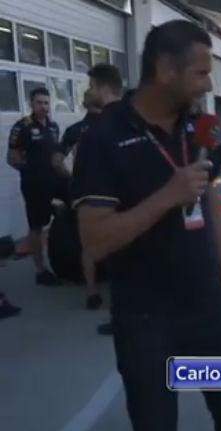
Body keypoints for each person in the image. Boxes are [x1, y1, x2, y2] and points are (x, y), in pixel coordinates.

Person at [71, 20, 221, 431]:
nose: (210, 85)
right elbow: (95, 240)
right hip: (145, 318)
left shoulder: (196, 124)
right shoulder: (105, 137)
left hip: (207, 306)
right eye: (201, 73)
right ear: (166, 70)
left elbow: (209, 199)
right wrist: (167, 196)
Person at [60, 63, 125, 310]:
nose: (87, 92)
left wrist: (74, 181)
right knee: (99, 245)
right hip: (97, 196)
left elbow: (57, 160)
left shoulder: (95, 129)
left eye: (90, 86)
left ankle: (99, 294)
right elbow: (57, 159)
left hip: (101, 196)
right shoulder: (83, 129)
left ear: (101, 87)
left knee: (103, 245)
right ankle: (96, 293)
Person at [7, 87, 68, 286]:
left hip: (55, 180)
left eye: (46, 103)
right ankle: (41, 271)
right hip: (35, 185)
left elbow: (56, 156)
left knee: (75, 202)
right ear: (31, 104)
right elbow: (12, 158)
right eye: (39, 102)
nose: (43, 106)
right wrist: (32, 172)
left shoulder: (53, 127)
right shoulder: (22, 127)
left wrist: (68, 176)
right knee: (36, 227)